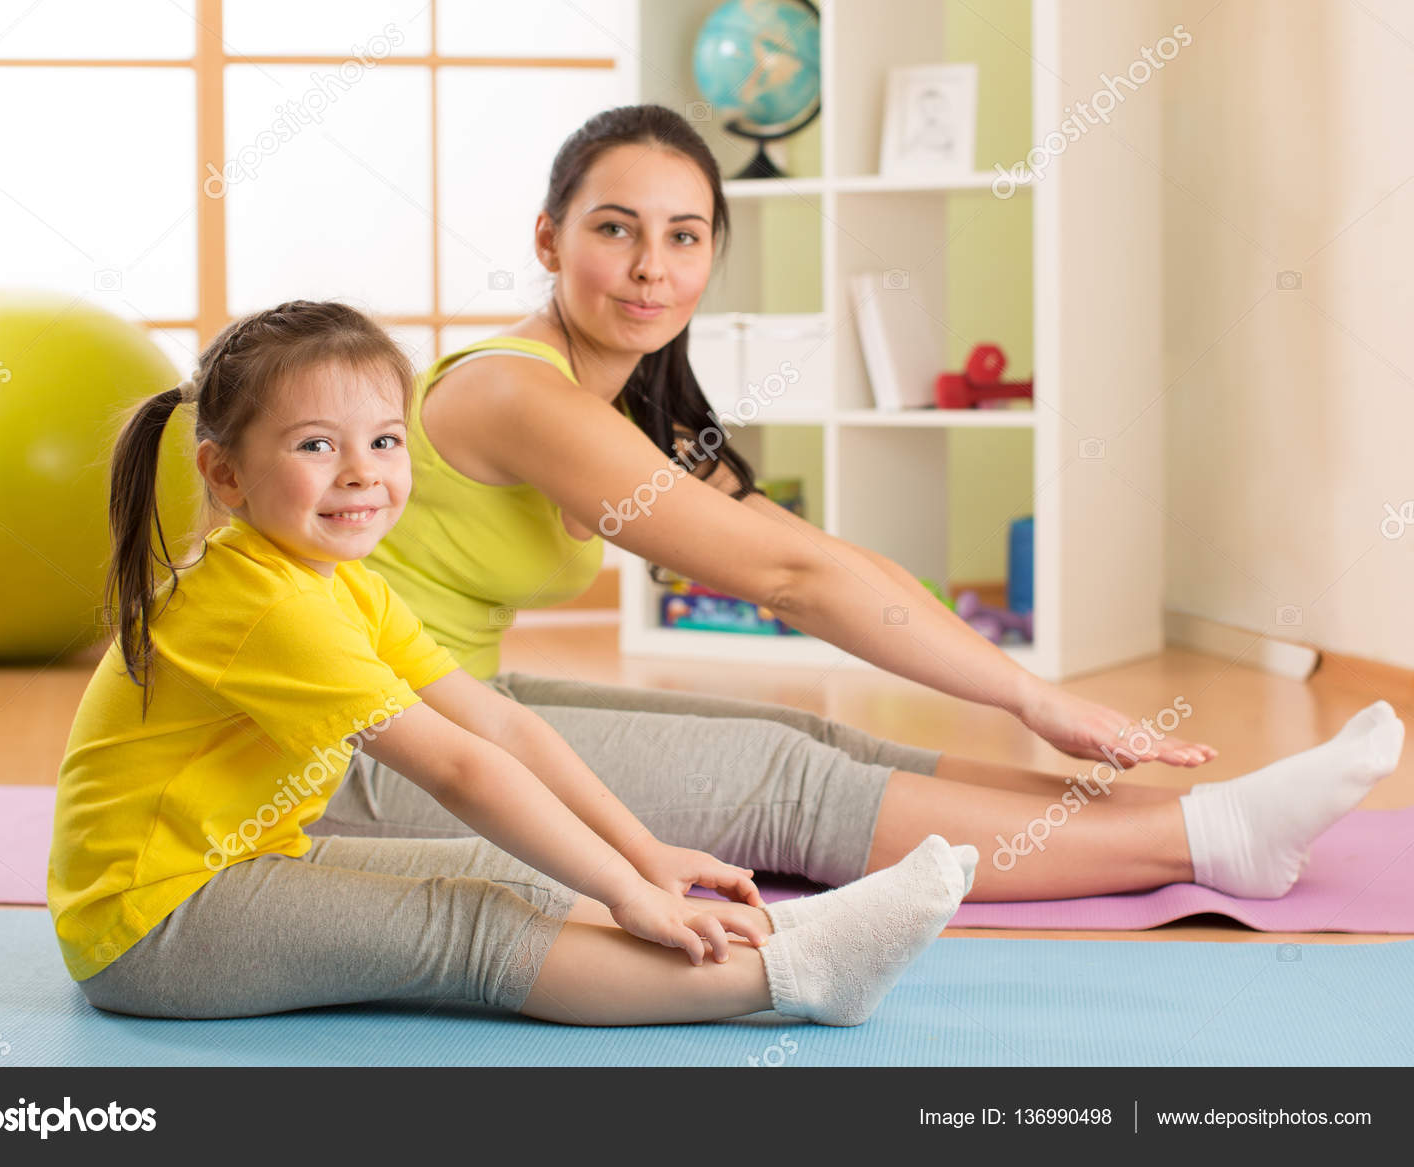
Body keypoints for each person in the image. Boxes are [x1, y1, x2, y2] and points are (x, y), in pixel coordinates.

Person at [318, 103, 1405, 904]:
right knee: (777, 782)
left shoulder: (631, 405)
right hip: (345, 755)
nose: (651, 268)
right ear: (549, 239)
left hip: (458, 702)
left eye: (684, 236)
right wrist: (1032, 701)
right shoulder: (516, 392)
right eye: (614, 229)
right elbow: (786, 584)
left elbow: (811, 550)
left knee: (798, 728)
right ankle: (1199, 846)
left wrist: (1020, 685)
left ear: (711, 253)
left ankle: (1173, 819)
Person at [47, 299, 980, 1027]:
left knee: (521, 871)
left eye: (383, 440)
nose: (363, 472)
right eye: (315, 446)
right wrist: (624, 892)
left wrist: (641, 854)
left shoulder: (339, 579)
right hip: (153, 925)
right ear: (225, 474)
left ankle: (792, 928)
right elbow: (459, 765)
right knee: (473, 923)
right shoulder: (263, 602)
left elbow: (498, 720)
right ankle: (795, 976)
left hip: (246, 859)